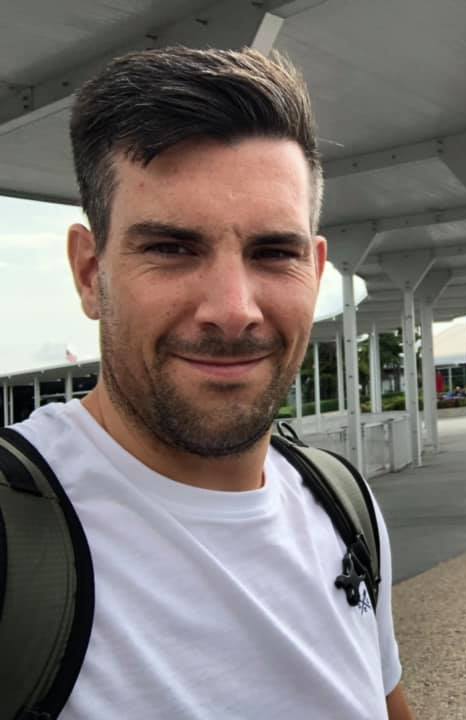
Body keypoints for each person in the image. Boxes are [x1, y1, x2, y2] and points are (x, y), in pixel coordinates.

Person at [8, 47, 412, 719]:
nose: (233, 309)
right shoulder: (16, 539)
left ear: (316, 272)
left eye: (273, 252)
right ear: (90, 273)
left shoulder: (344, 507)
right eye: (171, 248)